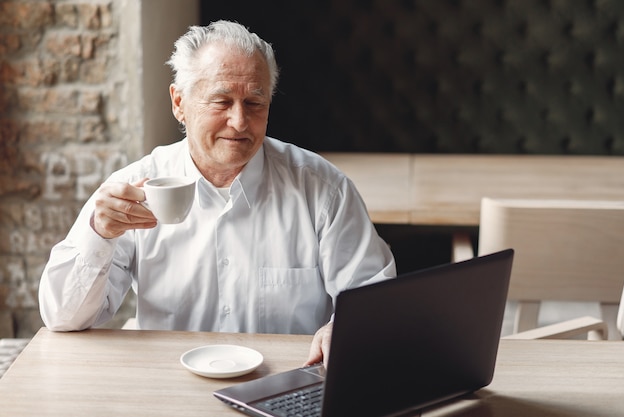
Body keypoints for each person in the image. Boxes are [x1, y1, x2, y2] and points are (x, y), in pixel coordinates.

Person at [38, 20, 396, 366]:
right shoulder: (136, 187)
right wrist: (98, 235)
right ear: (179, 102)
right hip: (165, 391)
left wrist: (343, 328)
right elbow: (64, 318)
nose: (239, 122)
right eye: (221, 102)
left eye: (254, 103)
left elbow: (375, 300)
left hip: (285, 386)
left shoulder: (322, 188)